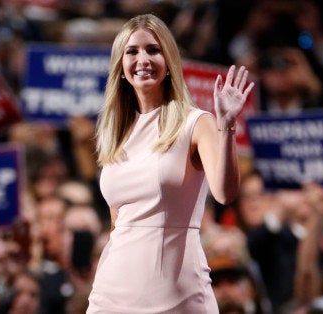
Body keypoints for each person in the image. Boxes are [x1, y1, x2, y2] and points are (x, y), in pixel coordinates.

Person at [87, 13, 254, 313]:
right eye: (132, 51)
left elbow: (225, 193)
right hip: (112, 293)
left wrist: (227, 125)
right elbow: (118, 223)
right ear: (120, 68)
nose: (143, 59)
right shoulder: (114, 132)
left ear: (169, 62)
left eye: (153, 49)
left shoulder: (197, 123)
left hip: (176, 291)